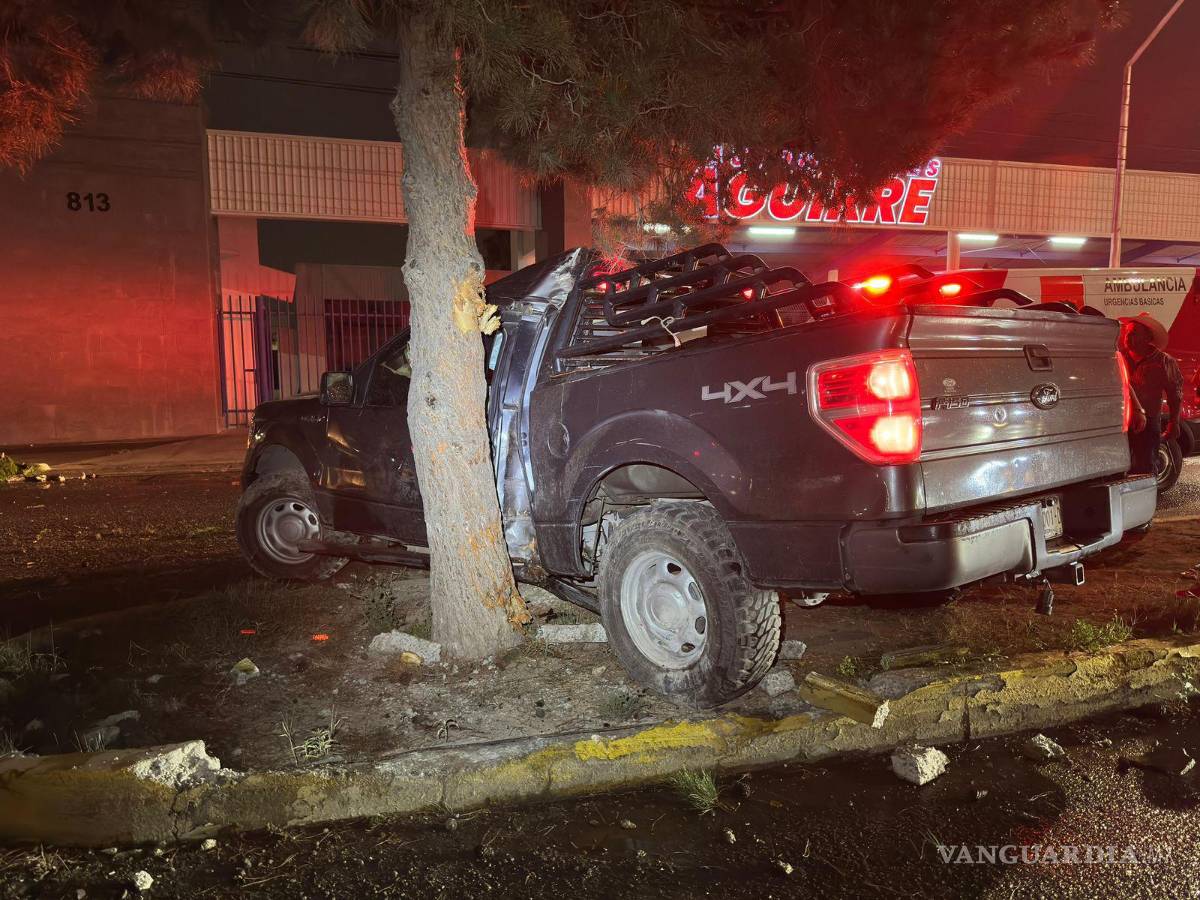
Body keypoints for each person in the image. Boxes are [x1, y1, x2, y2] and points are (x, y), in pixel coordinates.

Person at [1119, 312, 1182, 476]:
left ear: (1147, 338)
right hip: (1122, 422)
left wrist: (1174, 423)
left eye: (1133, 334)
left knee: (1145, 468)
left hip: (1148, 423)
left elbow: (1174, 394)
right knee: (1122, 468)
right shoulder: (1120, 358)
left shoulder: (1163, 361)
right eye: (1127, 333)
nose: (1127, 337)